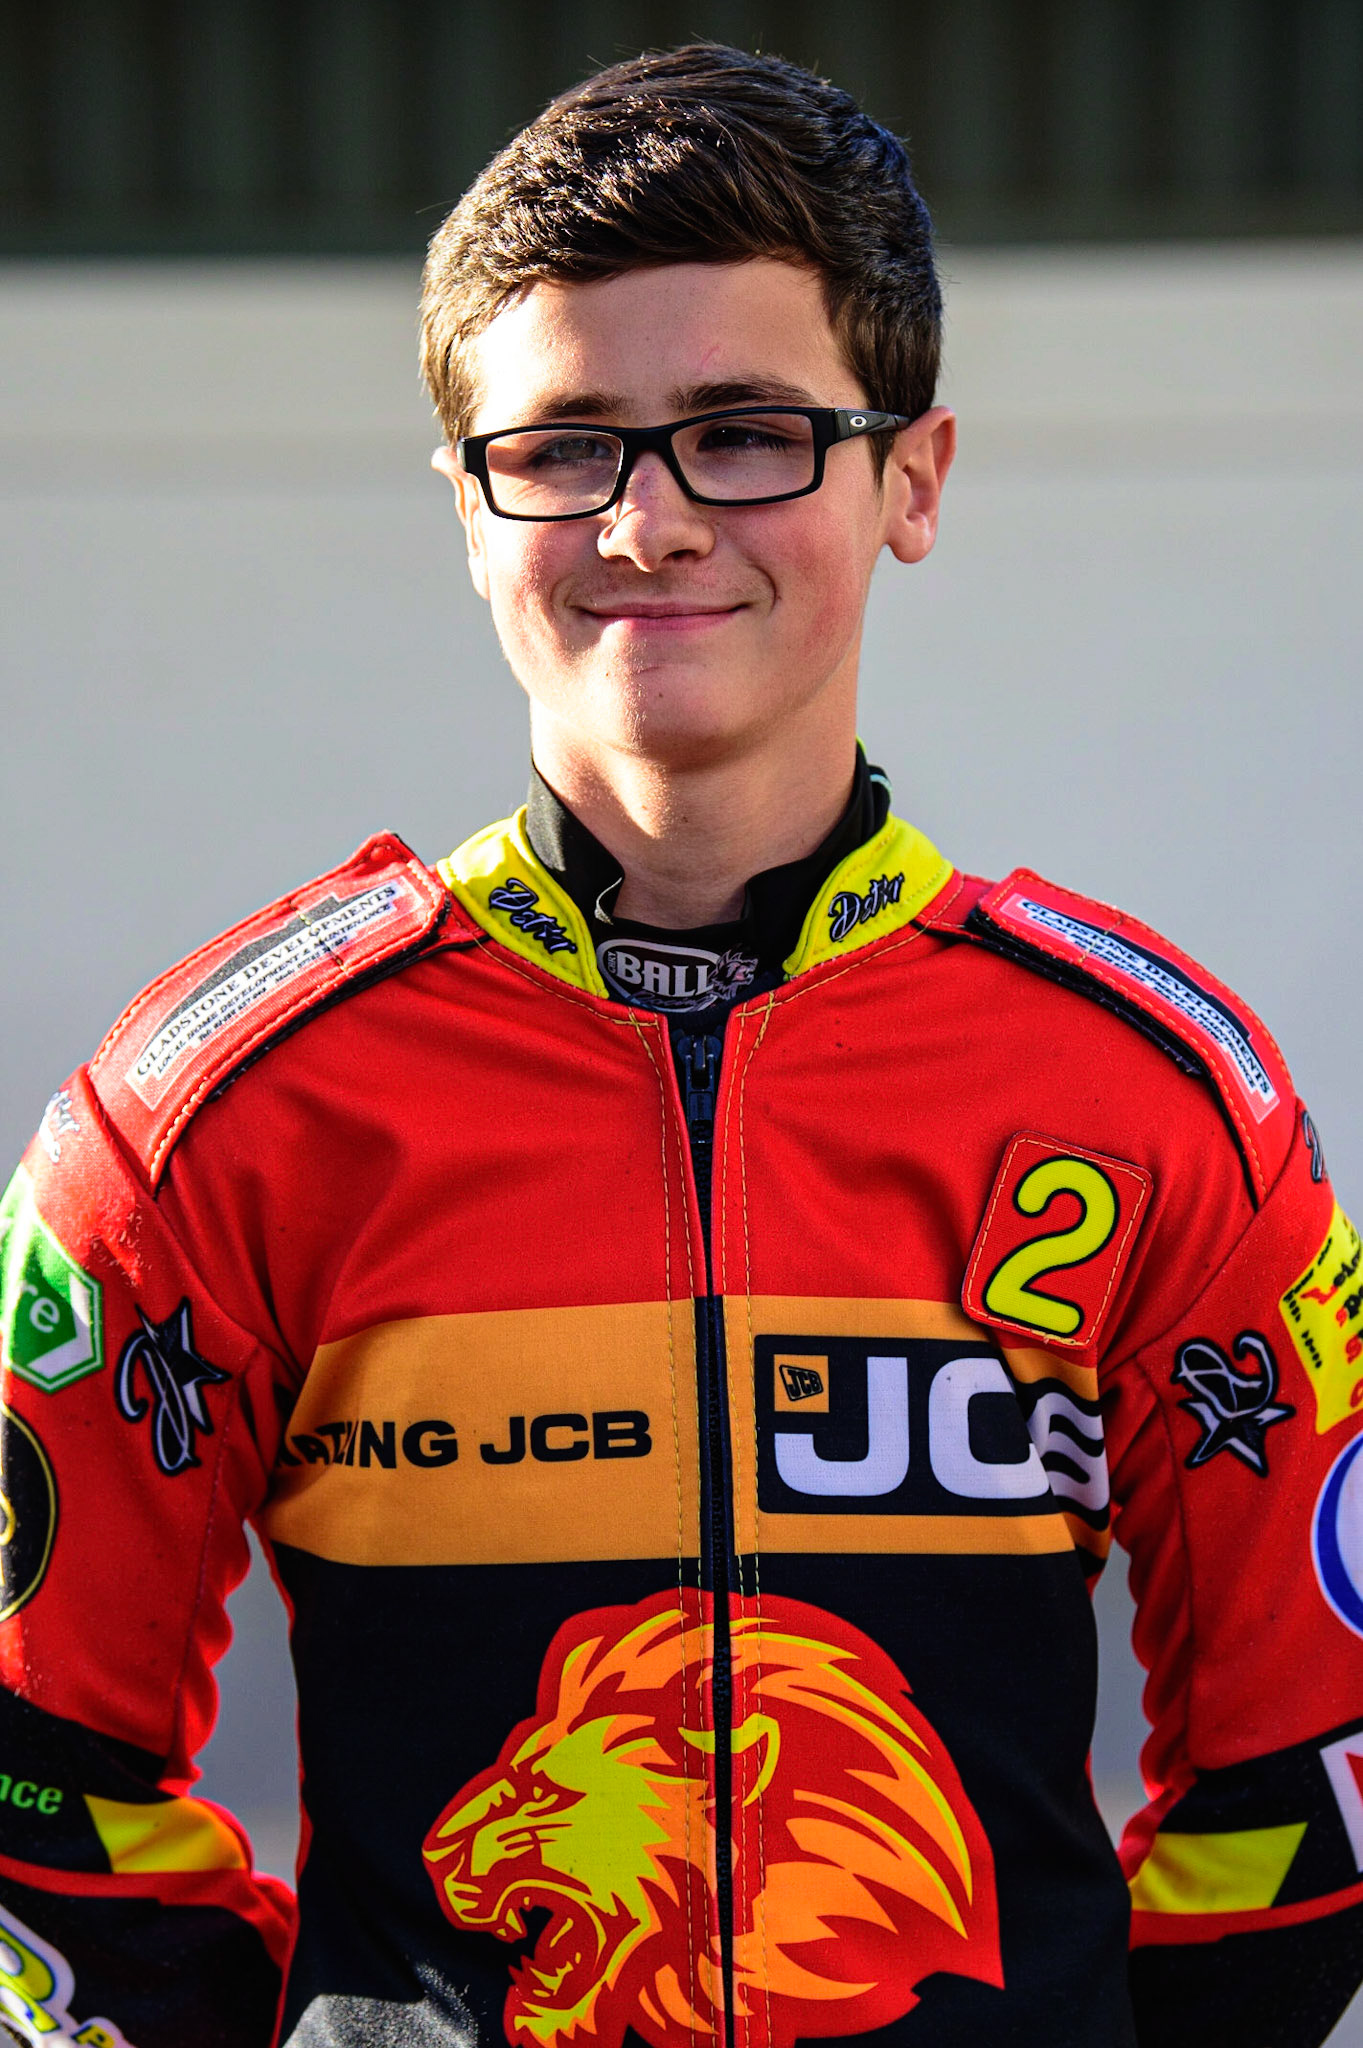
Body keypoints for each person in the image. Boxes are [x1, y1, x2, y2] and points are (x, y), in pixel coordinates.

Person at [1, 39, 1361, 2048]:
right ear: (467, 509)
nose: (643, 521)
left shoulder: (1159, 1098)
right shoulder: (214, 1108)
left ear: (912, 477)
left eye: (744, 430)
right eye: (562, 444)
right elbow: (42, 1782)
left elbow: (1309, 1779)